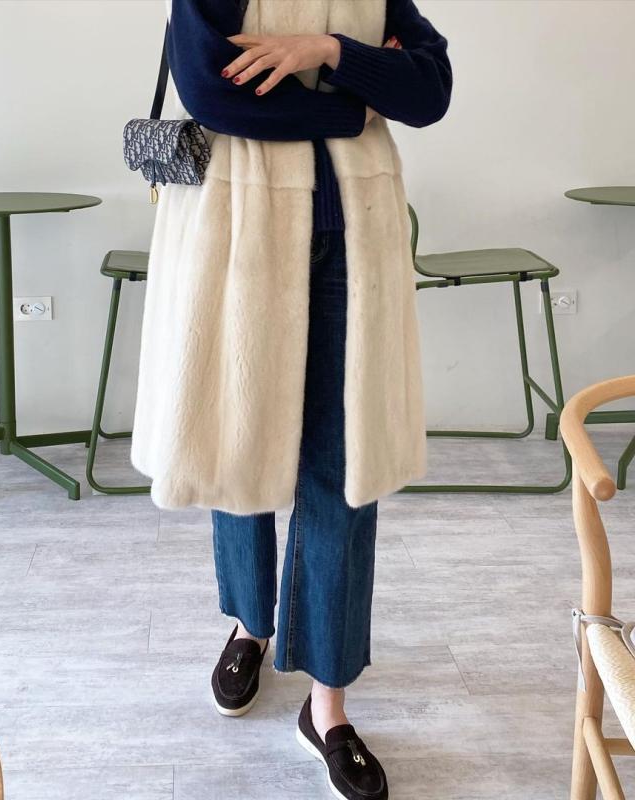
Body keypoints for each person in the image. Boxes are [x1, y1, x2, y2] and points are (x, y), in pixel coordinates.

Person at [156, 2, 451, 798]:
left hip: (354, 240)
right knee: (239, 442)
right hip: (241, 236)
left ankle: (328, 704)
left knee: (342, 473)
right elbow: (210, 92)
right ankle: (250, 623)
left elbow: (429, 90)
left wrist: (328, 49)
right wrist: (354, 105)